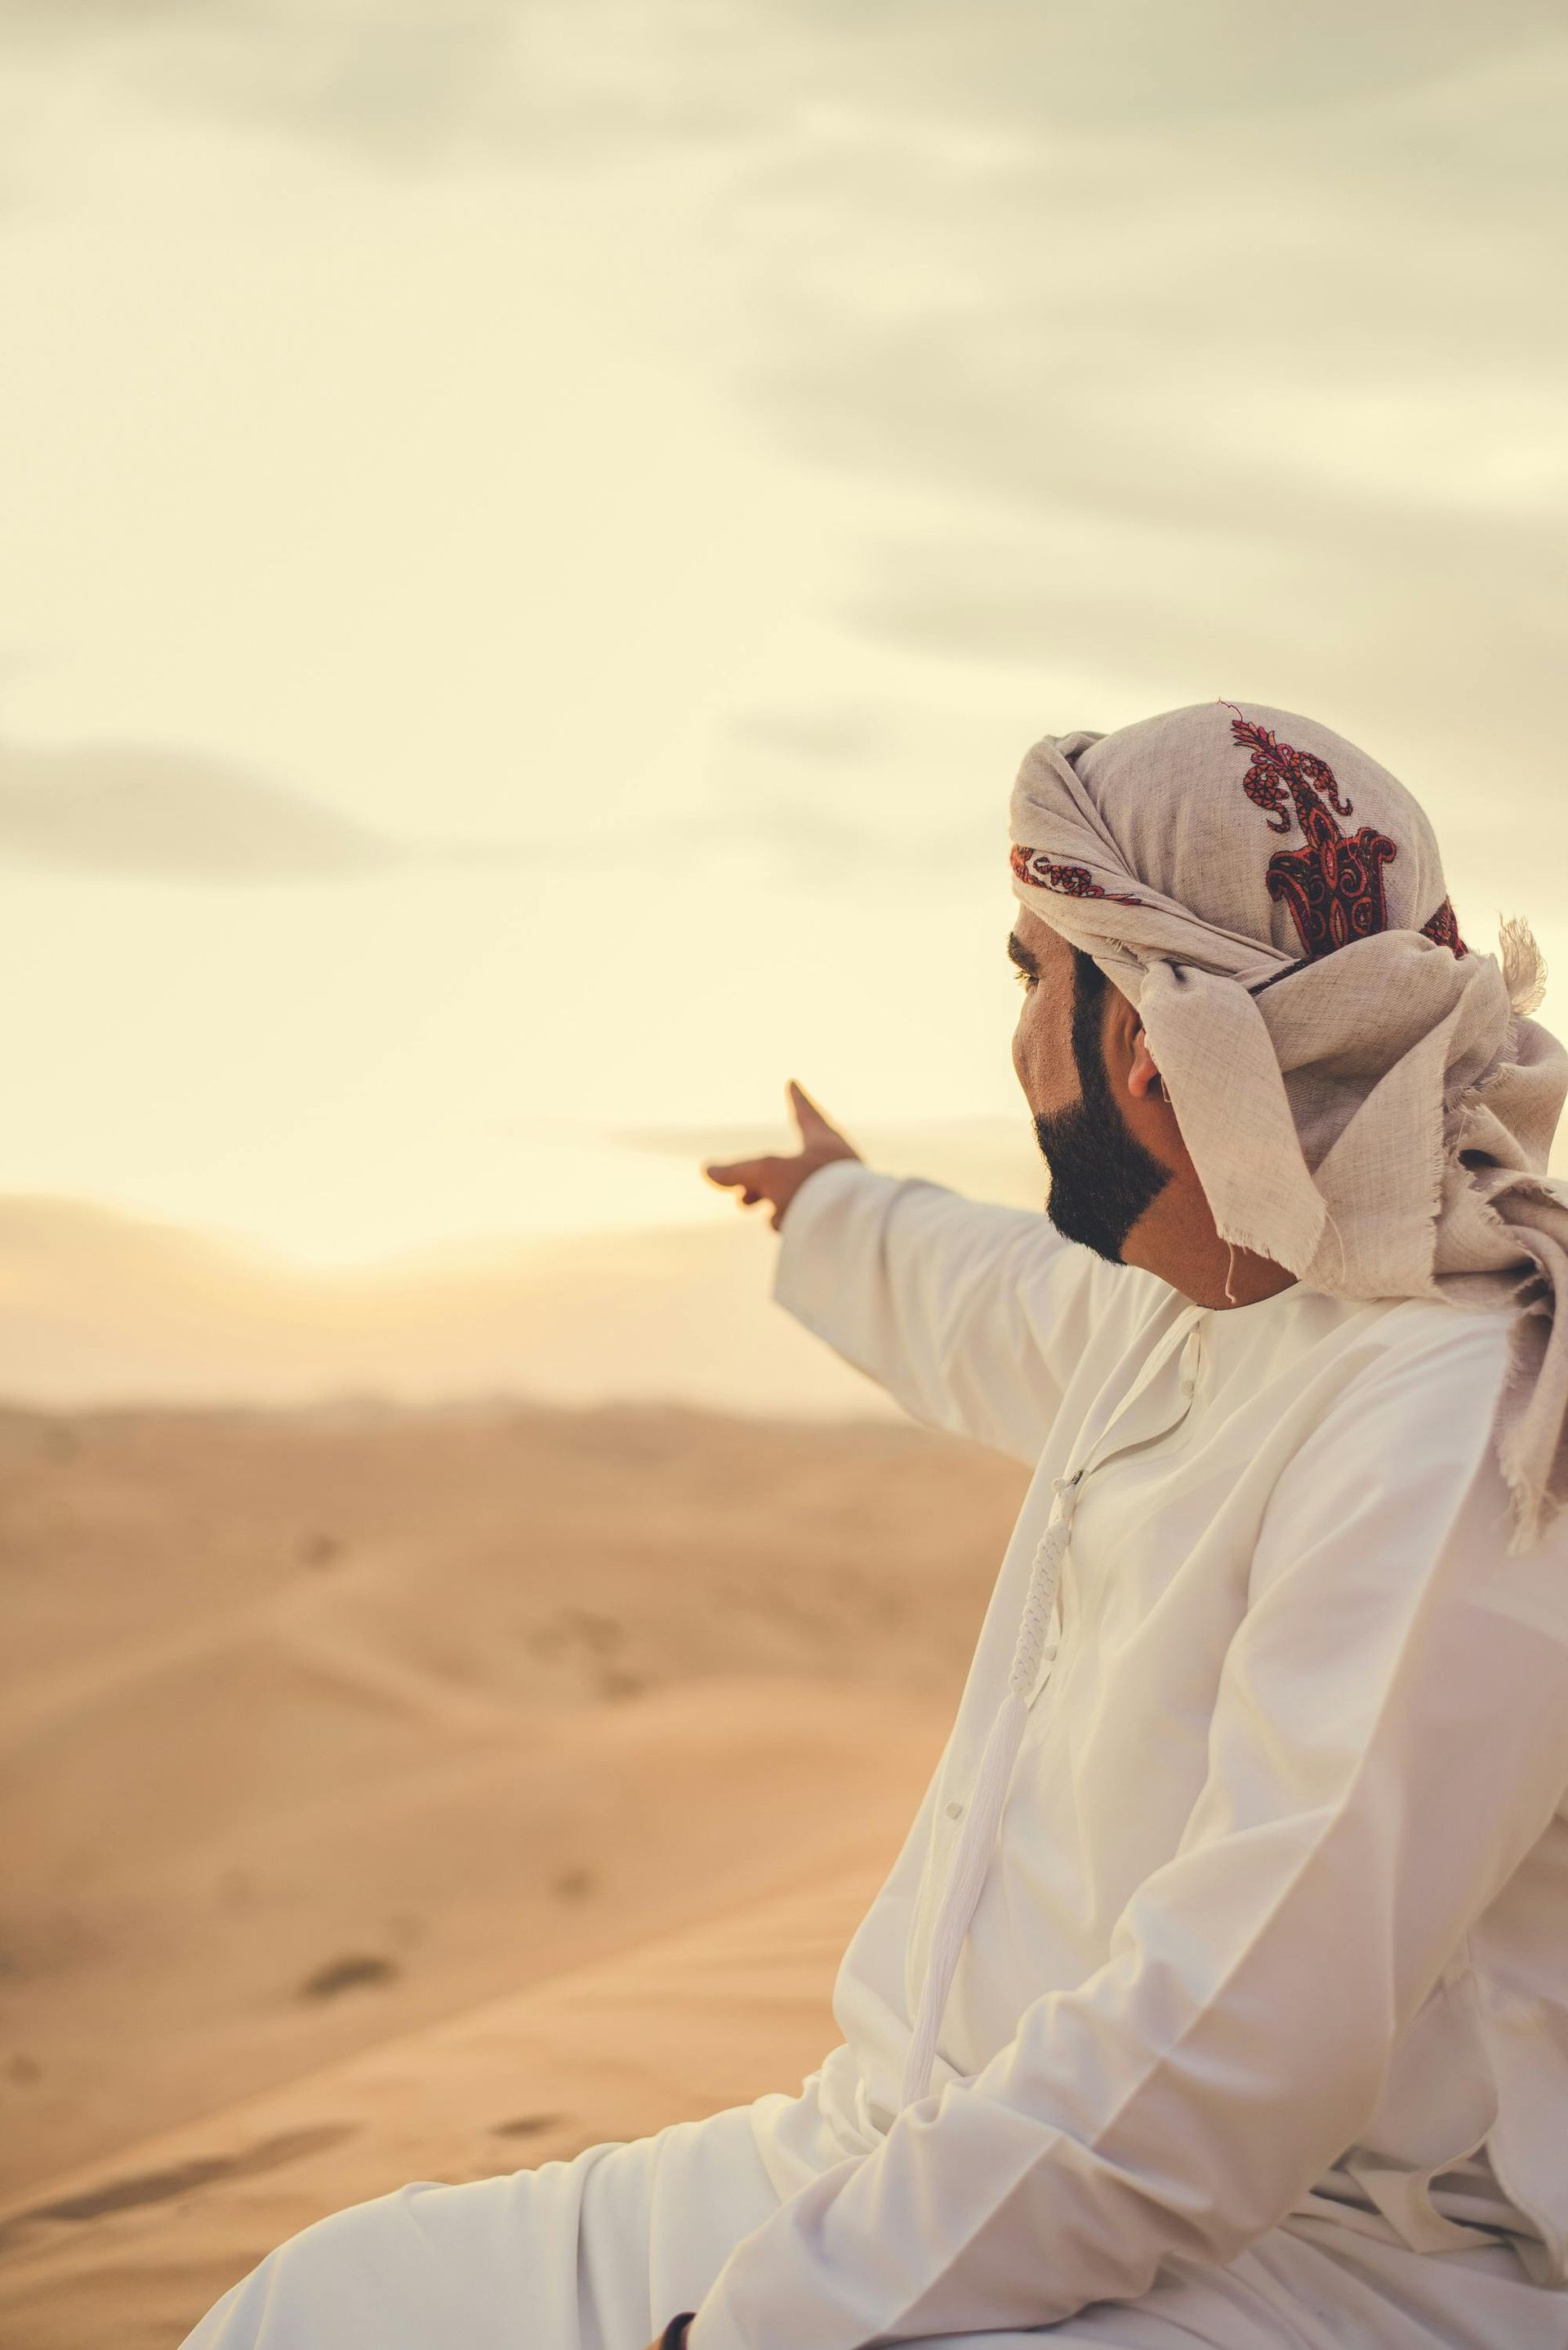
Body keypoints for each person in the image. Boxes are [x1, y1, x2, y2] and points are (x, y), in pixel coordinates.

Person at [182, 700, 1568, 2348]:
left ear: (1147, 1055)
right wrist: (838, 1206)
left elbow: (1233, 2050)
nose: (1013, 1037)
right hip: (921, 2150)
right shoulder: (1222, 1285)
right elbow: (995, 1300)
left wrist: (796, 2314)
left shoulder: (1457, 1422)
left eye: (1028, 973)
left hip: (1316, 2261)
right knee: (330, 2304)